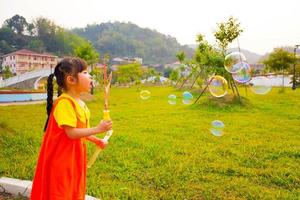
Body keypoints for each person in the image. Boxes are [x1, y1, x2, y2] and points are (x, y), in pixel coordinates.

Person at [30, 57, 113, 200]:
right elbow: (71, 133)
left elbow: (82, 132)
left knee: (73, 188)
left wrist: (96, 140)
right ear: (71, 80)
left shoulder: (80, 103)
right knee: (61, 191)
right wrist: (98, 129)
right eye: (86, 72)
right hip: (61, 159)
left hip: (75, 157)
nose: (91, 76)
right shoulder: (64, 103)